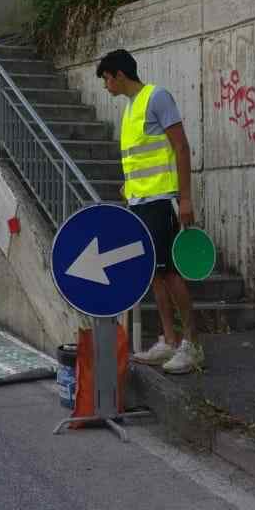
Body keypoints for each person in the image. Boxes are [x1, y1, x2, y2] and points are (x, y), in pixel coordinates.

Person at [96, 49, 204, 374]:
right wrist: (128, 187)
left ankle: (192, 345)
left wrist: (185, 199)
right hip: (139, 202)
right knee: (154, 273)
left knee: (170, 272)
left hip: (160, 201)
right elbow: (140, 158)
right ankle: (168, 341)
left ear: (119, 75)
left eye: (106, 79)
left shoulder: (157, 97)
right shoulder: (130, 108)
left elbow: (181, 147)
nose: (105, 86)